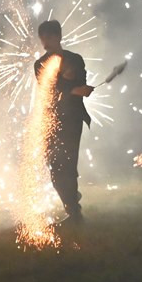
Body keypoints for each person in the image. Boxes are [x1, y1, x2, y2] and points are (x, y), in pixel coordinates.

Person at [33, 19, 95, 222]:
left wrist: (78, 89)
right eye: (43, 37)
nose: (45, 41)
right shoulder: (40, 64)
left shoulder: (75, 59)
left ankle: (74, 213)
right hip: (51, 119)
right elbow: (50, 89)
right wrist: (73, 88)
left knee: (67, 165)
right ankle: (71, 197)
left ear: (58, 37)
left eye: (49, 37)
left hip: (71, 119)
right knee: (54, 166)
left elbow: (79, 83)